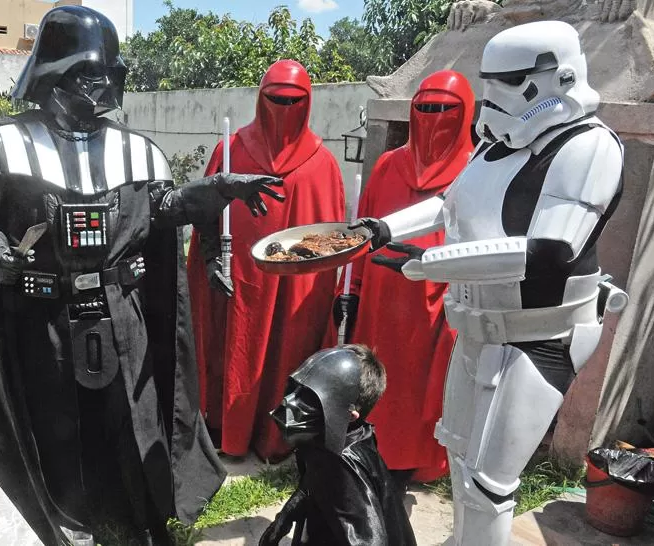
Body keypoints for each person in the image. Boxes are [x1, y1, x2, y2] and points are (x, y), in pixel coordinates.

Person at [0, 6, 285, 545]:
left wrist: (210, 193)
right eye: (87, 72)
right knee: (51, 420)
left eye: (109, 71)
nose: (102, 84)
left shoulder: (138, 152)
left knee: (129, 416)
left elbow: (162, 210)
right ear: (53, 73)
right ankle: (58, 513)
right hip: (39, 317)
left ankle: (130, 506)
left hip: (121, 313)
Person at [351, 21, 627, 545]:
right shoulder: (499, 143)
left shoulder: (588, 147)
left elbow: (550, 252)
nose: (496, 95)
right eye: (491, 82)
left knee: (489, 483)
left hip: (539, 337)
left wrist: (434, 263)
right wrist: (383, 228)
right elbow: (450, 204)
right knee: (459, 454)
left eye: (513, 82)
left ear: (559, 77)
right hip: (477, 328)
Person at [188, 59, 344, 462]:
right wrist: (211, 262)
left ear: (307, 103)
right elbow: (205, 215)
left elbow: (329, 241)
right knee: (232, 348)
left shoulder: (321, 163)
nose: (284, 109)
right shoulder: (231, 150)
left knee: (284, 352)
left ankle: (276, 437)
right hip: (238, 276)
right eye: (276, 99)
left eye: (294, 101)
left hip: (291, 289)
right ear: (261, 98)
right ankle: (226, 429)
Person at [338, 70, 475, 492]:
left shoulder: (476, 171)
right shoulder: (387, 165)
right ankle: (367, 451)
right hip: (381, 300)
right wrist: (352, 289)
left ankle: (410, 462)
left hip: (435, 302)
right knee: (375, 381)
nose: (433, 118)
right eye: (425, 108)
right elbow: (362, 236)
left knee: (420, 388)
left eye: (445, 109)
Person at [259, 345, 416, 546]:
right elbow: (317, 476)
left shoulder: (343, 465)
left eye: (311, 398)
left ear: (349, 415)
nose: (290, 402)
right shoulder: (342, 437)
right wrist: (285, 517)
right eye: (297, 390)